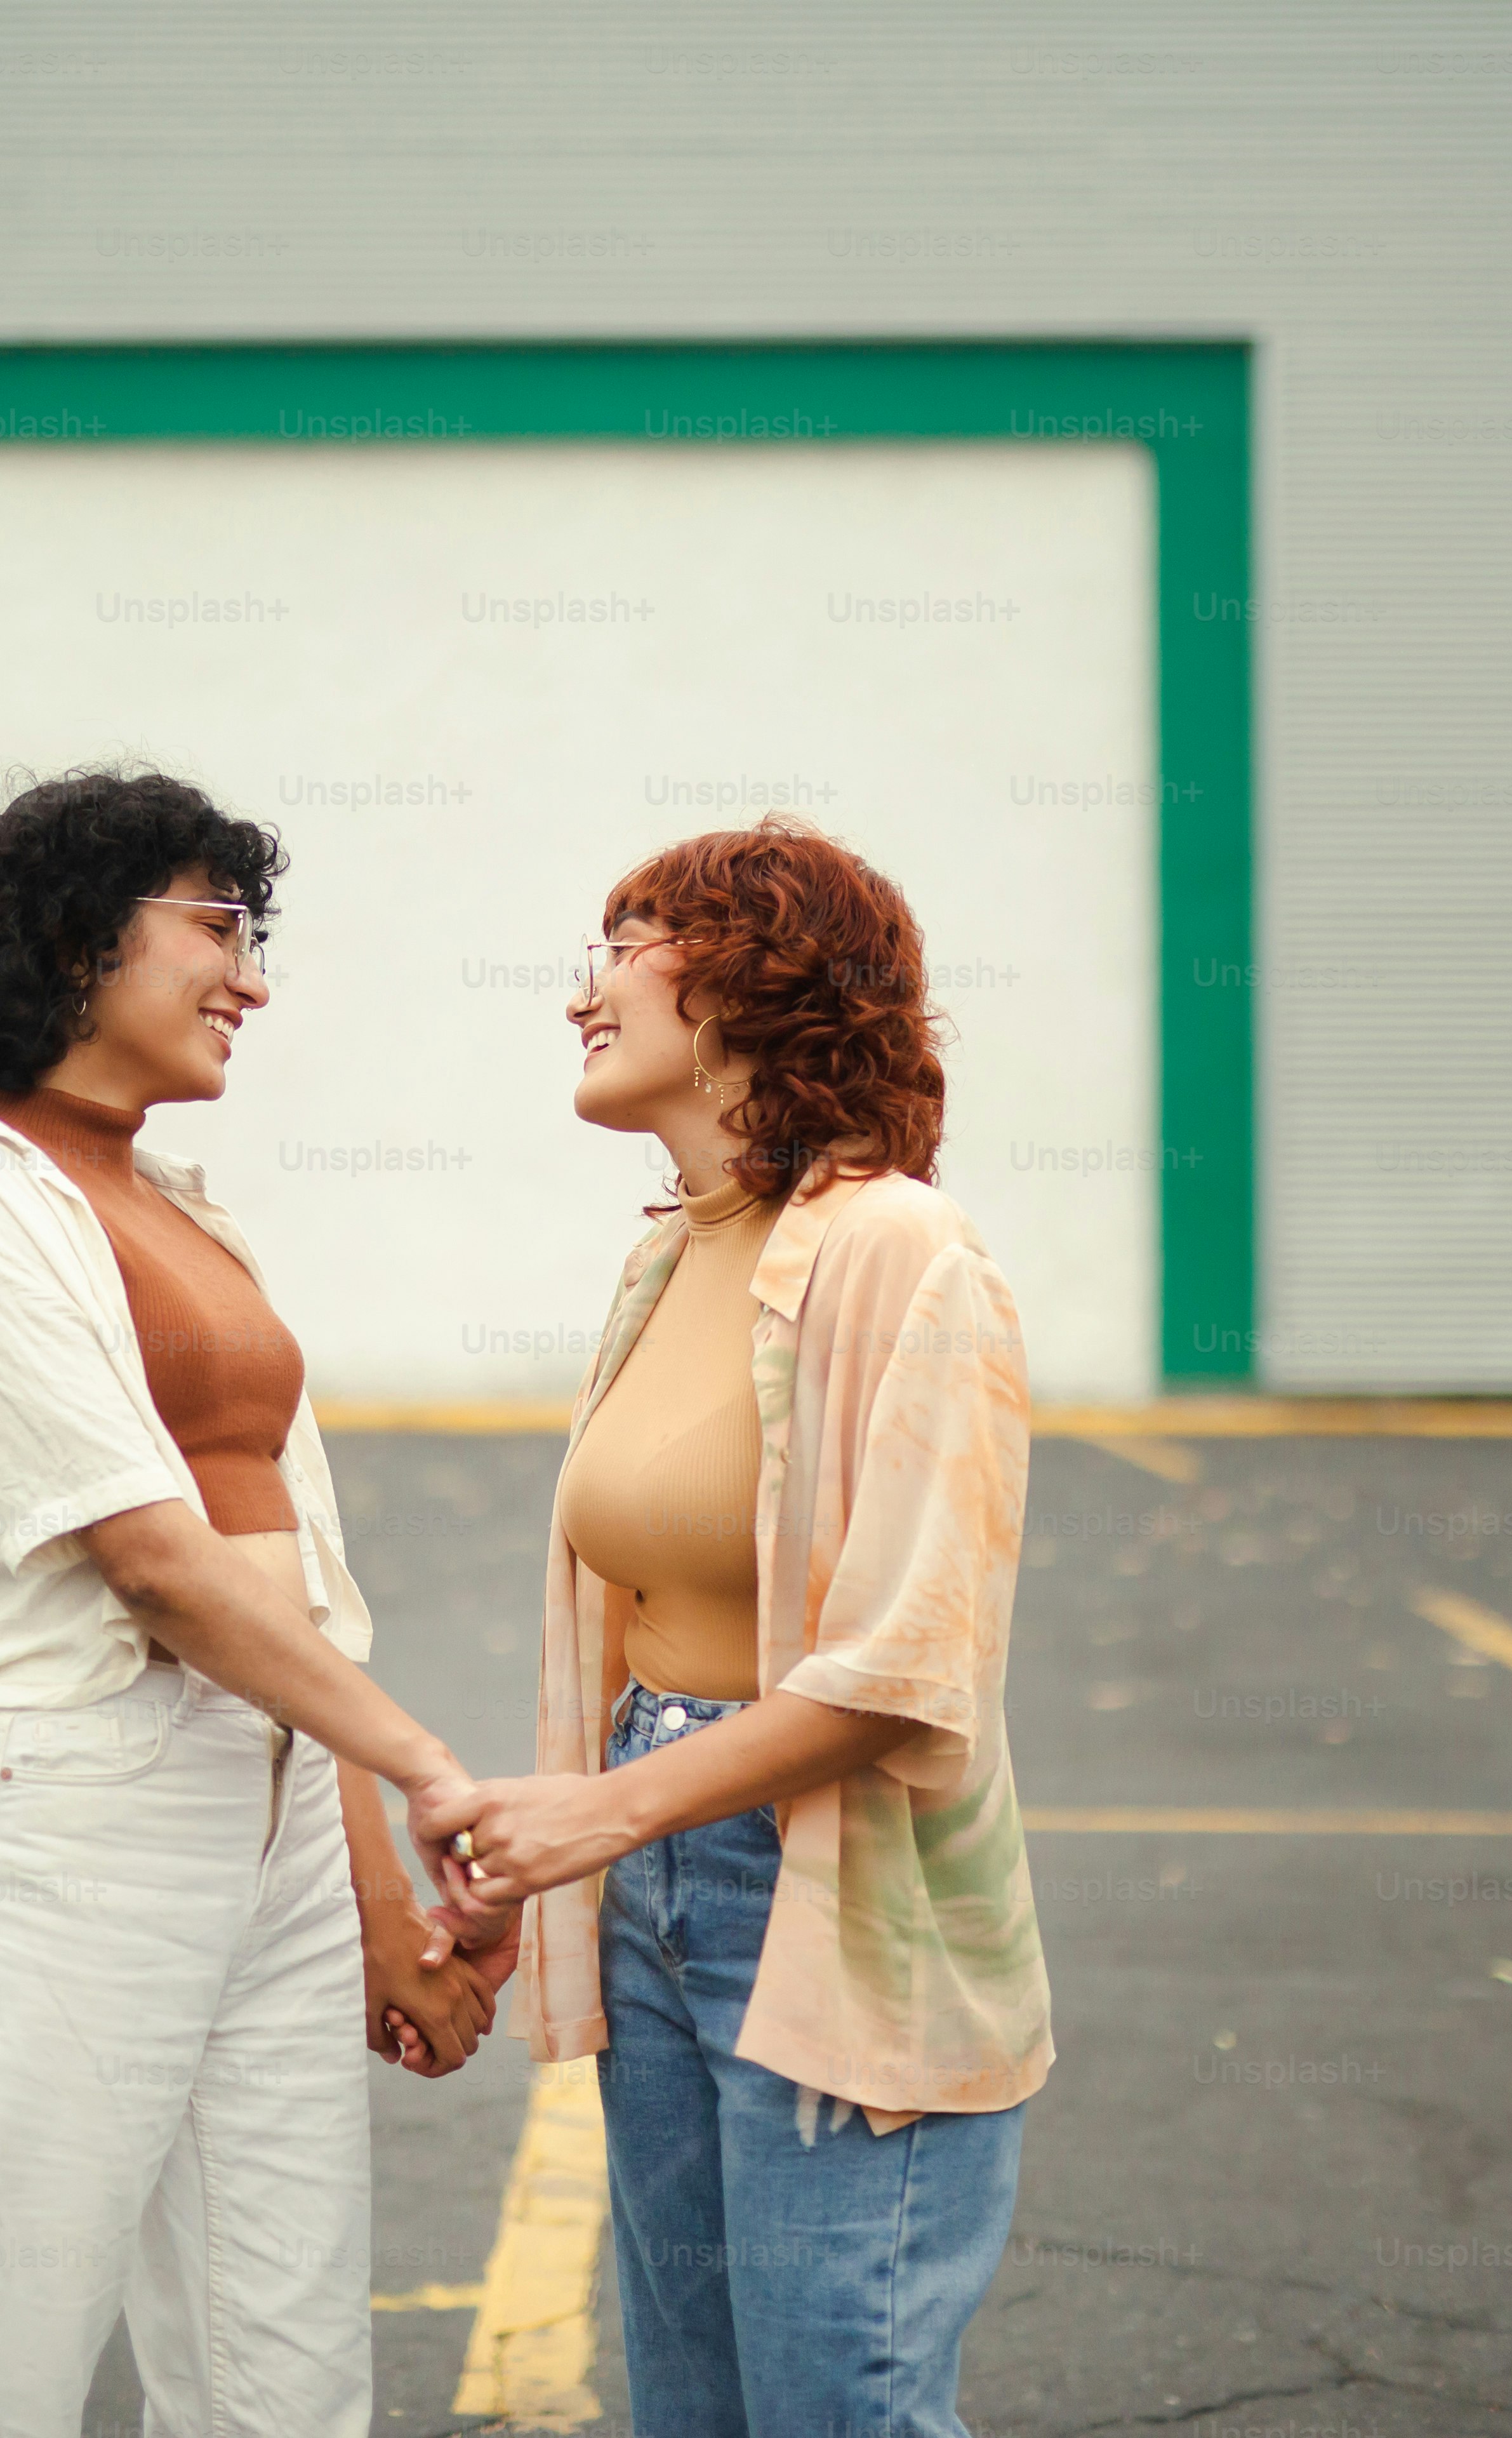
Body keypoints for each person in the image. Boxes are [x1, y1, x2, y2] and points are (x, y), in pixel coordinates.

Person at [0, 768, 490, 2438]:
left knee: (278, 2360)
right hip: (86, 1814)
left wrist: (363, 1890)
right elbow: (153, 1562)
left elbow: (300, 1602)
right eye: (216, 929)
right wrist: (426, 1768)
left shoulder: (187, 1213)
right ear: (71, 943)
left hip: (269, 1818)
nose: (252, 981)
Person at [430, 817, 1052, 2438]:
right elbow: (638, 1618)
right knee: (694, 2409)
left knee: (836, 2407)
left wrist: (600, 1815)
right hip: (656, 1860)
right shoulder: (667, 1260)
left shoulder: (901, 1253)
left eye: (629, 942)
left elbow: (906, 1669)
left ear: (756, 979)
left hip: (822, 1873)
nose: (584, 987)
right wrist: (567, 1838)